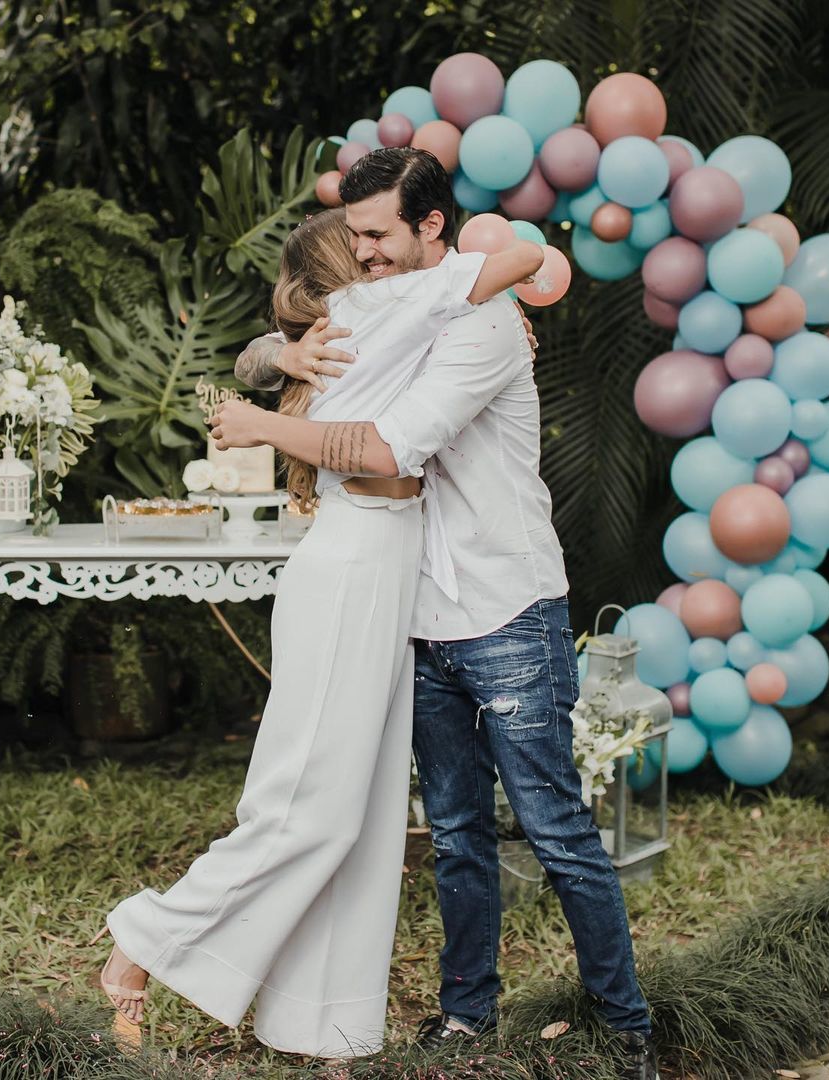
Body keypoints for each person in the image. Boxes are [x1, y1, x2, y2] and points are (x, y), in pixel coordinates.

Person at [219, 146, 659, 1080]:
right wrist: (283, 353)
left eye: (379, 234)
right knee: (456, 834)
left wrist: (263, 423)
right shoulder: (391, 309)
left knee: (555, 829)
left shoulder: (483, 325)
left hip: (506, 609)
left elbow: (388, 446)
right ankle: (467, 1016)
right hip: (414, 613)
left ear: (431, 227)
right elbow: (263, 346)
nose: (364, 253)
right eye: (355, 236)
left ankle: (625, 1028)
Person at [99, 205, 543, 1059]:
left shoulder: (393, 318)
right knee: (310, 809)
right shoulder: (370, 318)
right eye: (365, 246)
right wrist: (281, 361)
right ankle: (142, 943)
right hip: (351, 570)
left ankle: (323, 1022)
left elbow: (255, 355)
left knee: (367, 819)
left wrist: (279, 356)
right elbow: (517, 261)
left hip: (388, 571)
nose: (382, 254)